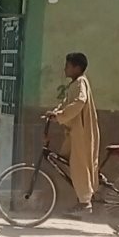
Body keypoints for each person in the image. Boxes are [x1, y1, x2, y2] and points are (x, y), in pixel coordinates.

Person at [47, 52, 100, 217]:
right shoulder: (74, 84)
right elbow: (66, 103)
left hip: (82, 133)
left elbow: (79, 102)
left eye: (67, 66)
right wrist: (55, 113)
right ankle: (84, 193)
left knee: (79, 166)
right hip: (74, 133)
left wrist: (61, 116)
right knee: (65, 160)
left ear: (77, 68)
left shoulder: (81, 82)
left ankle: (85, 202)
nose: (65, 69)